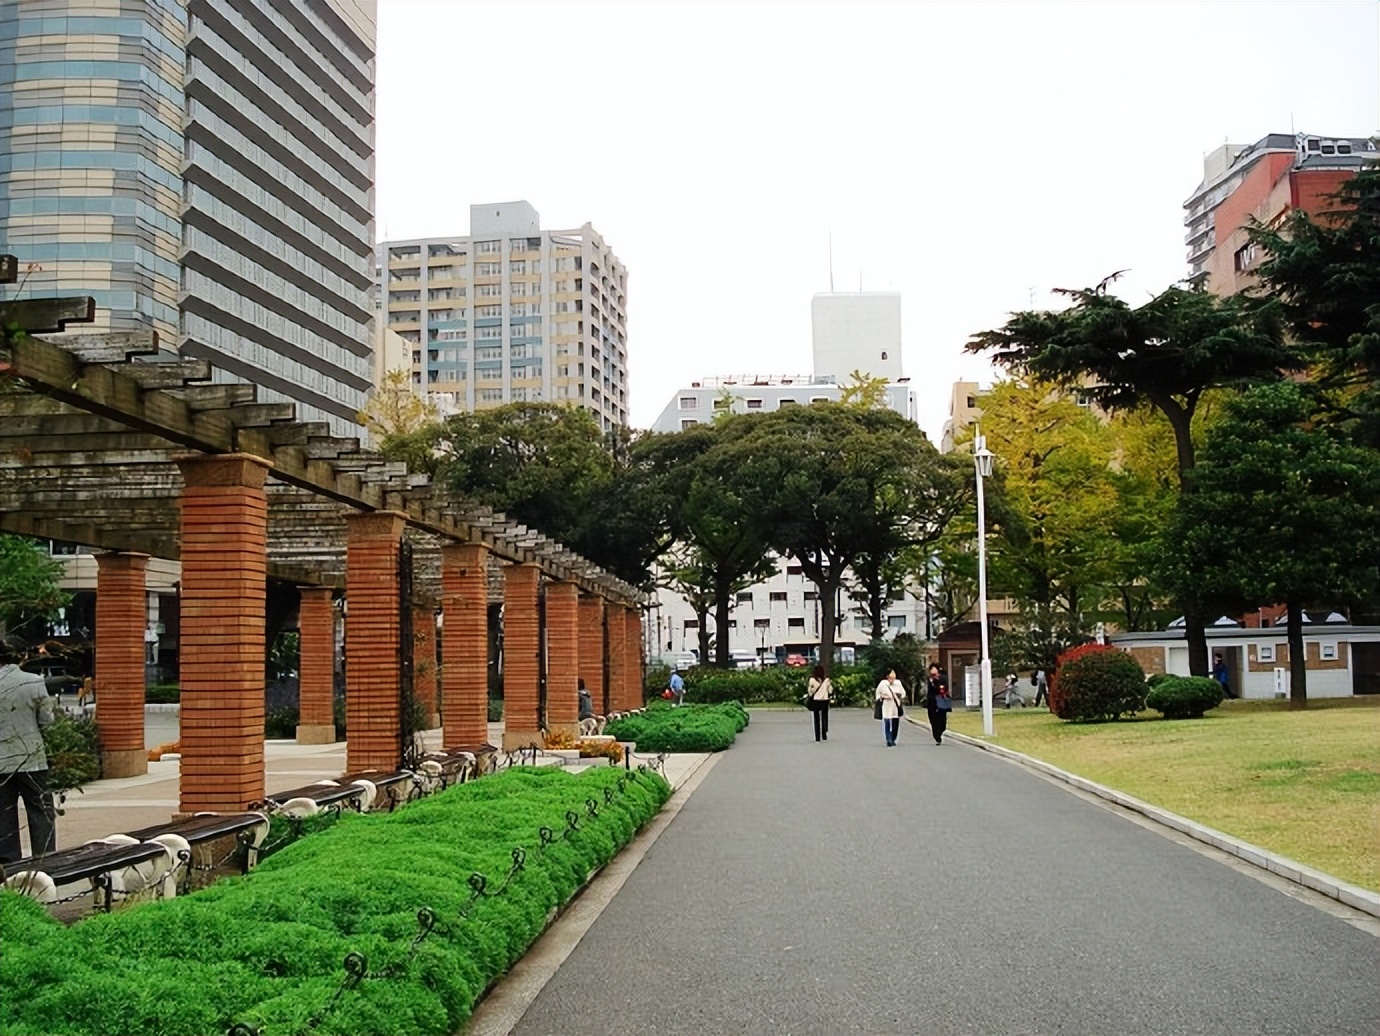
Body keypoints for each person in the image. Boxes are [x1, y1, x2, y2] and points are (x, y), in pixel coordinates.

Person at [0, 641, 57, 864]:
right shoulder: (34, 682)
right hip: (33, 758)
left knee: (3, 812)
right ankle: (45, 859)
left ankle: (7, 862)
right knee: (41, 810)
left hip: (1, 762)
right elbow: (47, 721)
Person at [875, 669, 905, 747]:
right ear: (887, 675)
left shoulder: (898, 683)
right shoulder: (883, 684)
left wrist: (898, 695)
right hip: (886, 705)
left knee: (895, 723)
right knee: (887, 722)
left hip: (895, 705)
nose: (894, 674)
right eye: (892, 673)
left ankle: (893, 738)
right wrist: (882, 697)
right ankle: (888, 739)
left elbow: (903, 693)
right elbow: (877, 694)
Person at [804, 664, 832, 742]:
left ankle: (817, 736)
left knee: (816, 718)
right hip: (825, 700)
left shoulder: (812, 680)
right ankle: (824, 732)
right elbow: (830, 690)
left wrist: (811, 693)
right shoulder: (826, 680)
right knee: (824, 717)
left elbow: (810, 691)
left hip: (816, 700)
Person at [926, 664, 952, 745]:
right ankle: (937, 737)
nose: (933, 671)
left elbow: (944, 688)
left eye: (934, 669)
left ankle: (940, 731)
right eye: (931, 669)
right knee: (933, 720)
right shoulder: (929, 679)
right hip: (932, 702)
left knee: (942, 720)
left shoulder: (942, 678)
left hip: (941, 701)